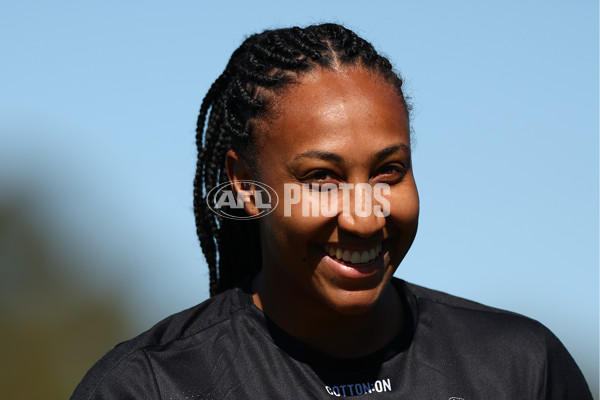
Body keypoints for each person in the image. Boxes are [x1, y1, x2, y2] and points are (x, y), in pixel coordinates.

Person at [71, 23, 592, 399]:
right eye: (322, 179)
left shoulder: (521, 368)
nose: (365, 217)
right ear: (245, 185)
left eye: (389, 171)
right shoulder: (152, 386)